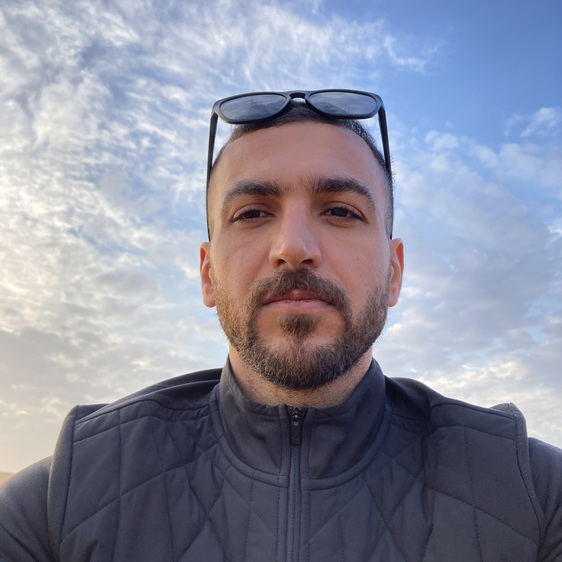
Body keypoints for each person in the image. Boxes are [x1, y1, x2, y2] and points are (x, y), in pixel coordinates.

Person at [1, 89, 561, 561]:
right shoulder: (63, 500)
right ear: (208, 276)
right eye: (252, 213)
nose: (293, 246)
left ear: (393, 274)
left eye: (340, 210)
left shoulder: (533, 494)